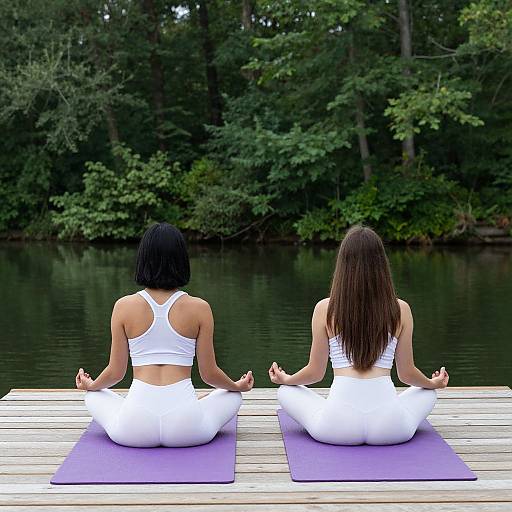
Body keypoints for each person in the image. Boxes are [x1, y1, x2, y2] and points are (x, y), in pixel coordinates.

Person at [75, 222, 253, 447]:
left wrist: (91, 385)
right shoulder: (199, 308)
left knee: (94, 395)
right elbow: (209, 374)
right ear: (181, 260)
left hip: (134, 429)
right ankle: (197, 403)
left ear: (143, 259)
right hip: (187, 429)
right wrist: (237, 386)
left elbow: (115, 373)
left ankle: (117, 401)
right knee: (232, 396)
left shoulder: (123, 306)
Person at [269, 225, 449, 445]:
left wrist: (287, 379)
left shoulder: (325, 309)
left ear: (342, 265)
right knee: (427, 393)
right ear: (381, 265)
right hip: (391, 429)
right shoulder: (400, 309)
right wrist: (434, 383)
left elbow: (315, 373)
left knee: (286, 392)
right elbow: (407, 374)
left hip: (336, 429)